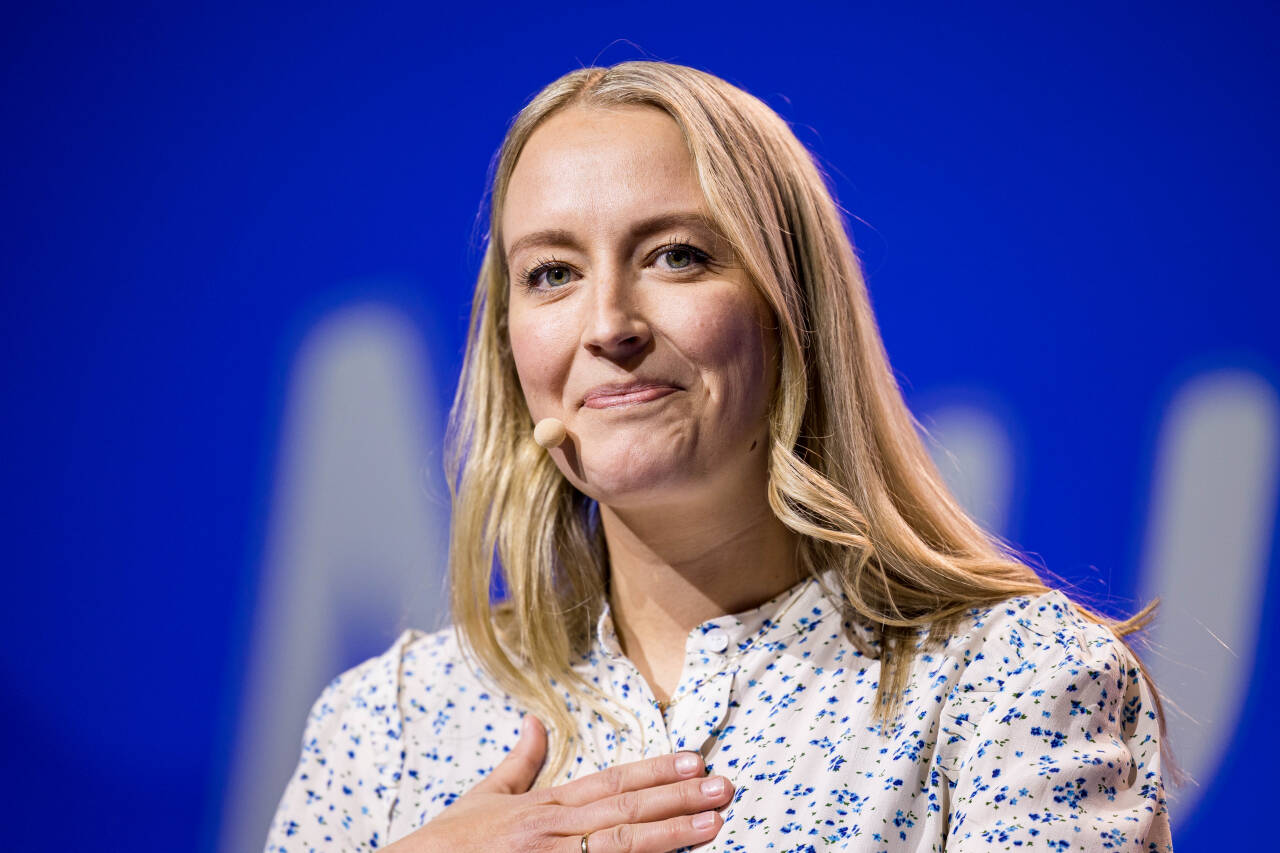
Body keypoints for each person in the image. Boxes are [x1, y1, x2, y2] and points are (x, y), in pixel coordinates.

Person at [264, 61, 1174, 852]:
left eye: (676, 256)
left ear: (793, 309)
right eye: (551, 273)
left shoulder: (1009, 679)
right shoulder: (382, 721)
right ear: (508, 342)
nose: (609, 324)